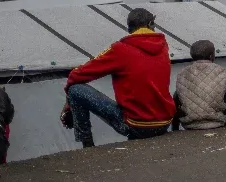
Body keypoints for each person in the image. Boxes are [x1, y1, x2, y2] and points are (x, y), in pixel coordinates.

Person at [61, 8, 174, 148]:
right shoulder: (163, 47)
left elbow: (76, 75)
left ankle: (87, 145)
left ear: (129, 28)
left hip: (137, 125)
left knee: (75, 90)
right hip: (164, 123)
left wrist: (68, 103)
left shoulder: (120, 49)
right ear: (151, 25)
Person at [173, 40, 226, 131]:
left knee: (176, 94)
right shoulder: (220, 70)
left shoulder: (183, 72)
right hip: (216, 120)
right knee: (225, 94)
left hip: (190, 122)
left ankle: (174, 128)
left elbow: (180, 95)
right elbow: (223, 91)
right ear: (212, 56)